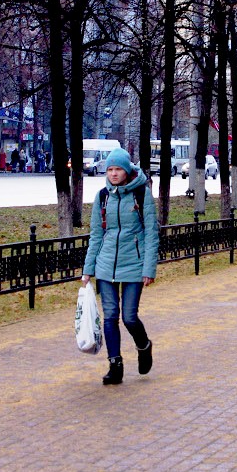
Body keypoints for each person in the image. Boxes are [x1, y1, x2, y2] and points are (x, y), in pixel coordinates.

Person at [82, 148, 158, 385]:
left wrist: (149, 268)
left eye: (118, 169)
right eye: (110, 169)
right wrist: (88, 269)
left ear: (127, 170)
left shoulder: (142, 195)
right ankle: (115, 365)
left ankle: (144, 346)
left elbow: (151, 234)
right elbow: (96, 234)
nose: (114, 174)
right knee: (110, 316)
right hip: (106, 265)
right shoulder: (103, 196)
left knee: (129, 317)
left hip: (134, 264)